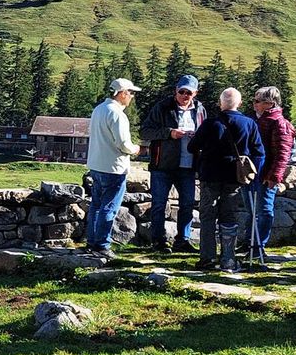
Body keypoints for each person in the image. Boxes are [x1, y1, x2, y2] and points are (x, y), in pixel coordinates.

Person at [189, 88, 265, 271]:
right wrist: (255, 175)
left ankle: (207, 258)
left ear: (220, 103)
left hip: (210, 175)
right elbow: (259, 152)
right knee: (229, 217)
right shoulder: (249, 123)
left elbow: (192, 147)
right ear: (239, 103)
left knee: (208, 217)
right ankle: (228, 259)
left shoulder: (210, 124)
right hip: (234, 177)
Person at [141, 75, 206, 253]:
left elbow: (205, 133)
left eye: (189, 92)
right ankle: (158, 241)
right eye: (181, 91)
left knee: (187, 204)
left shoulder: (200, 110)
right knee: (159, 204)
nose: (185, 95)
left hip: (189, 165)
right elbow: (145, 132)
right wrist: (169, 133)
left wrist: (198, 137)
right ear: (175, 91)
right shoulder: (162, 107)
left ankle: (182, 240)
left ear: (195, 93)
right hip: (162, 165)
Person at [84, 79, 142, 259]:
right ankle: (102, 244)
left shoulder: (98, 109)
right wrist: (135, 149)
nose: (132, 96)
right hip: (113, 168)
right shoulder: (117, 114)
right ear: (122, 93)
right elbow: (123, 143)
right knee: (109, 208)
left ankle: (92, 242)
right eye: (130, 93)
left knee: (96, 206)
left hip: (96, 165)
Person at [251, 86, 296, 264]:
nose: (254, 104)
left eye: (257, 101)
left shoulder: (279, 123)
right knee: (254, 210)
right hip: (255, 173)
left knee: (264, 211)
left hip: (267, 175)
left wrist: (274, 176)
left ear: (269, 104)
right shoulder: (260, 120)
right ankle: (251, 245)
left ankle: (259, 246)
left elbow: (283, 154)